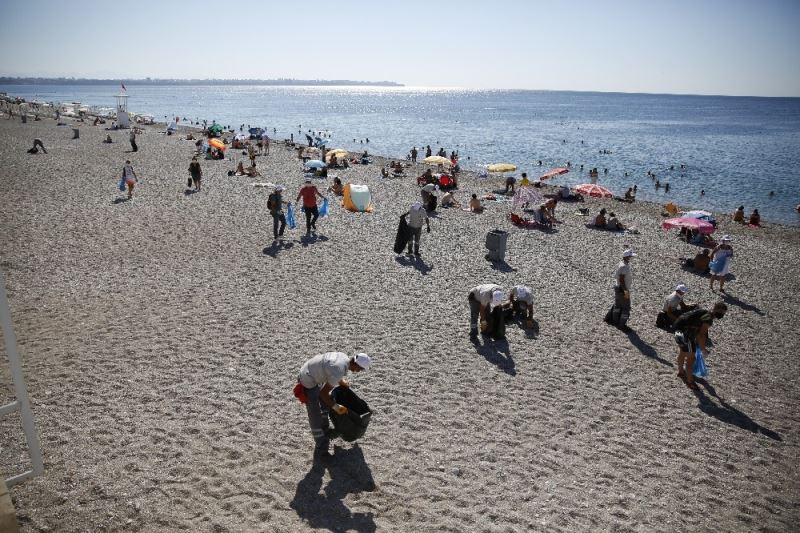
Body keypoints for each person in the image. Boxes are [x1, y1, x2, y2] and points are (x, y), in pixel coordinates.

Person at [297, 352, 371, 461]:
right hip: (308, 380)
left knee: (325, 405)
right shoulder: (338, 370)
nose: (359, 371)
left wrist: (340, 381)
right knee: (315, 417)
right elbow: (323, 394)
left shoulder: (344, 358)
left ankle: (325, 431)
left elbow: (330, 370)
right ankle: (322, 451)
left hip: (312, 371)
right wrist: (336, 407)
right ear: (356, 364)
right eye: (360, 369)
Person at [674, 302, 727, 390]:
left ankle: (681, 372)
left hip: (677, 330)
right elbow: (701, 335)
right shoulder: (708, 319)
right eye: (720, 312)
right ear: (715, 309)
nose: (721, 314)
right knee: (691, 358)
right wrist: (703, 349)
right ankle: (690, 382)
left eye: (723, 313)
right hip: (686, 335)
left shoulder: (703, 311)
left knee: (683, 352)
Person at [605, 249, 636, 332]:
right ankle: (621, 325)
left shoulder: (621, 263)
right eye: (630, 256)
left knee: (617, 305)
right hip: (622, 289)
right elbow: (622, 279)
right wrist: (625, 291)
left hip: (617, 287)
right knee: (626, 307)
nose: (631, 258)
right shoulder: (624, 266)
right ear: (626, 257)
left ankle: (615, 321)